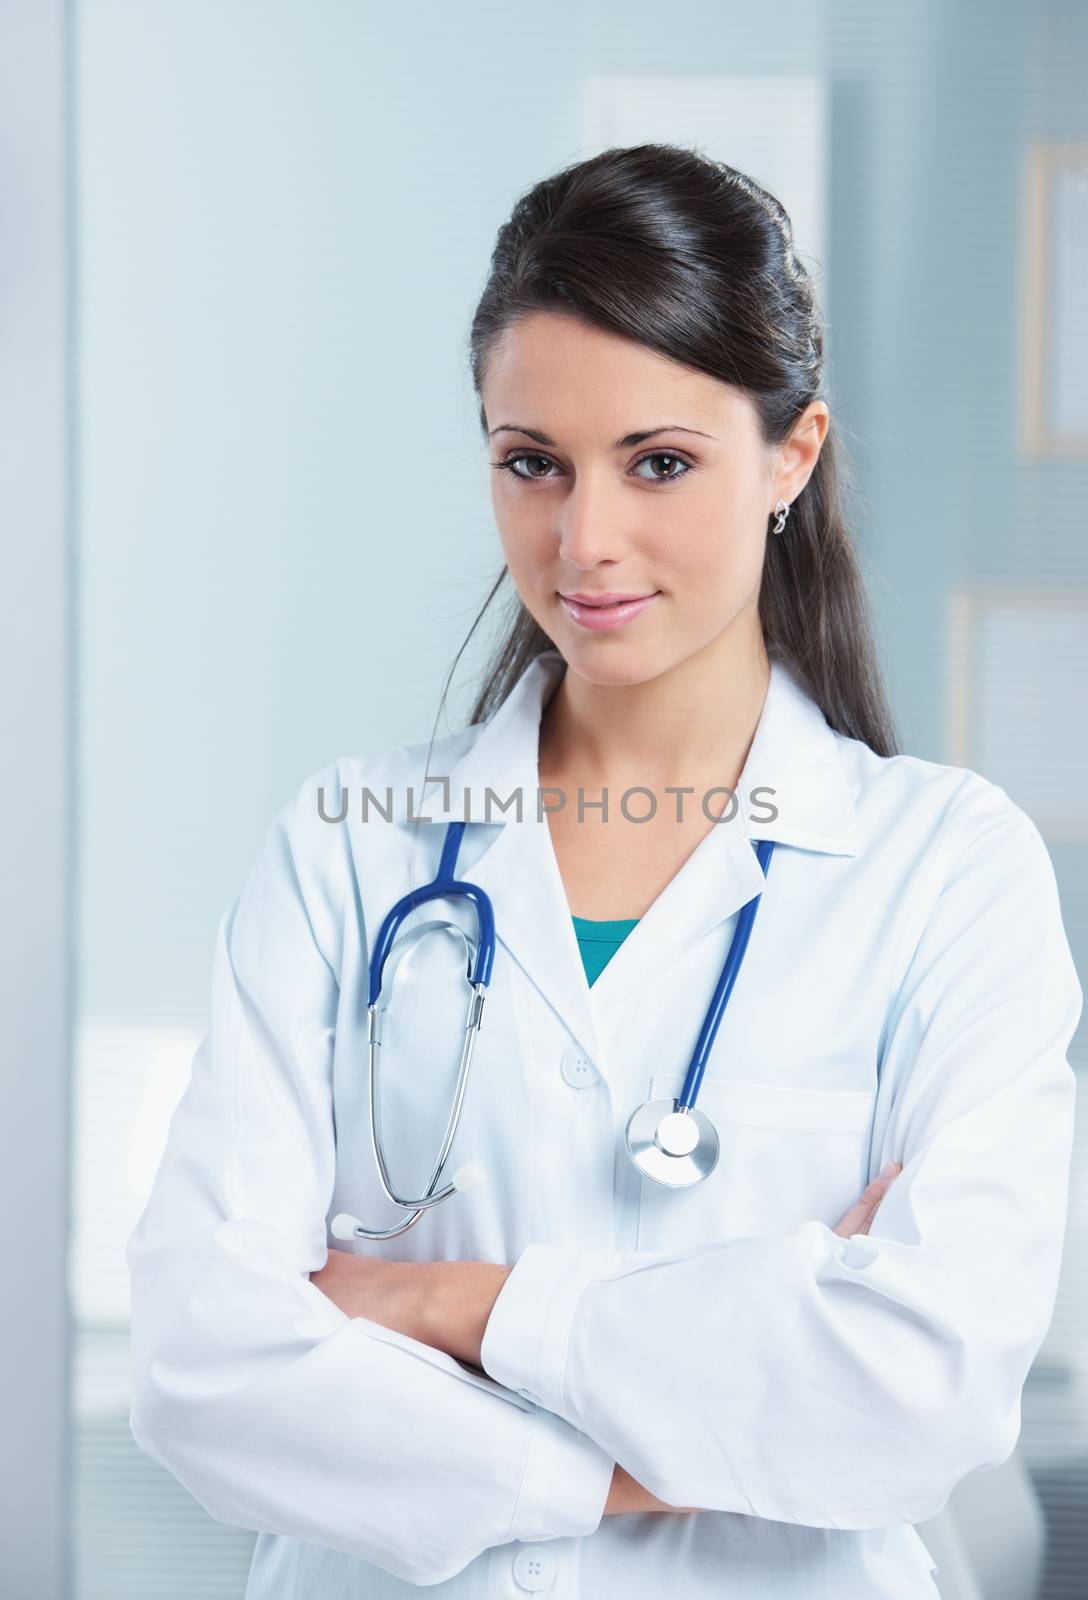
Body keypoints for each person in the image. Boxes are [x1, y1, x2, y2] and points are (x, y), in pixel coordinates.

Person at [126, 144, 1081, 1599]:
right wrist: (655, 1443)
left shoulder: (948, 876)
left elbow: (920, 1396)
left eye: (661, 463)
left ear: (794, 454)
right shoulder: (354, 846)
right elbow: (203, 1365)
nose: (587, 540)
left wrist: (442, 1305)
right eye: (533, 464)